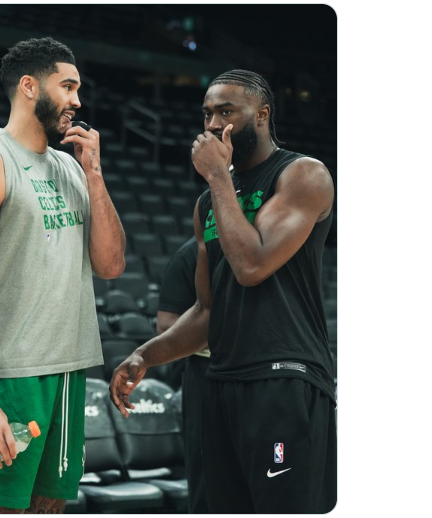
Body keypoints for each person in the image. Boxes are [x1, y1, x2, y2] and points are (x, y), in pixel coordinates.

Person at [111, 69, 336, 513]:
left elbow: (252, 265)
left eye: (227, 112)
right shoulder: (207, 204)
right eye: (208, 113)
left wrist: (218, 176)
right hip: (220, 382)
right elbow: (206, 310)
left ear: (262, 114)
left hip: (282, 376)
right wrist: (145, 355)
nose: (213, 124)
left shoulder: (303, 174)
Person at [0, 37, 126, 514]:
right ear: (29, 86)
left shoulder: (71, 166)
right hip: (11, 375)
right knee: (1, 509)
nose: (77, 100)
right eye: (67, 86)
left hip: (69, 367)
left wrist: (95, 175)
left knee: (49, 508)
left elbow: (111, 265)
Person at [156, 235, 209, 513]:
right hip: (206, 374)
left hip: (252, 375)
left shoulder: (263, 243)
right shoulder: (190, 254)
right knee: (207, 479)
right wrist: (230, 337)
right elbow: (166, 325)